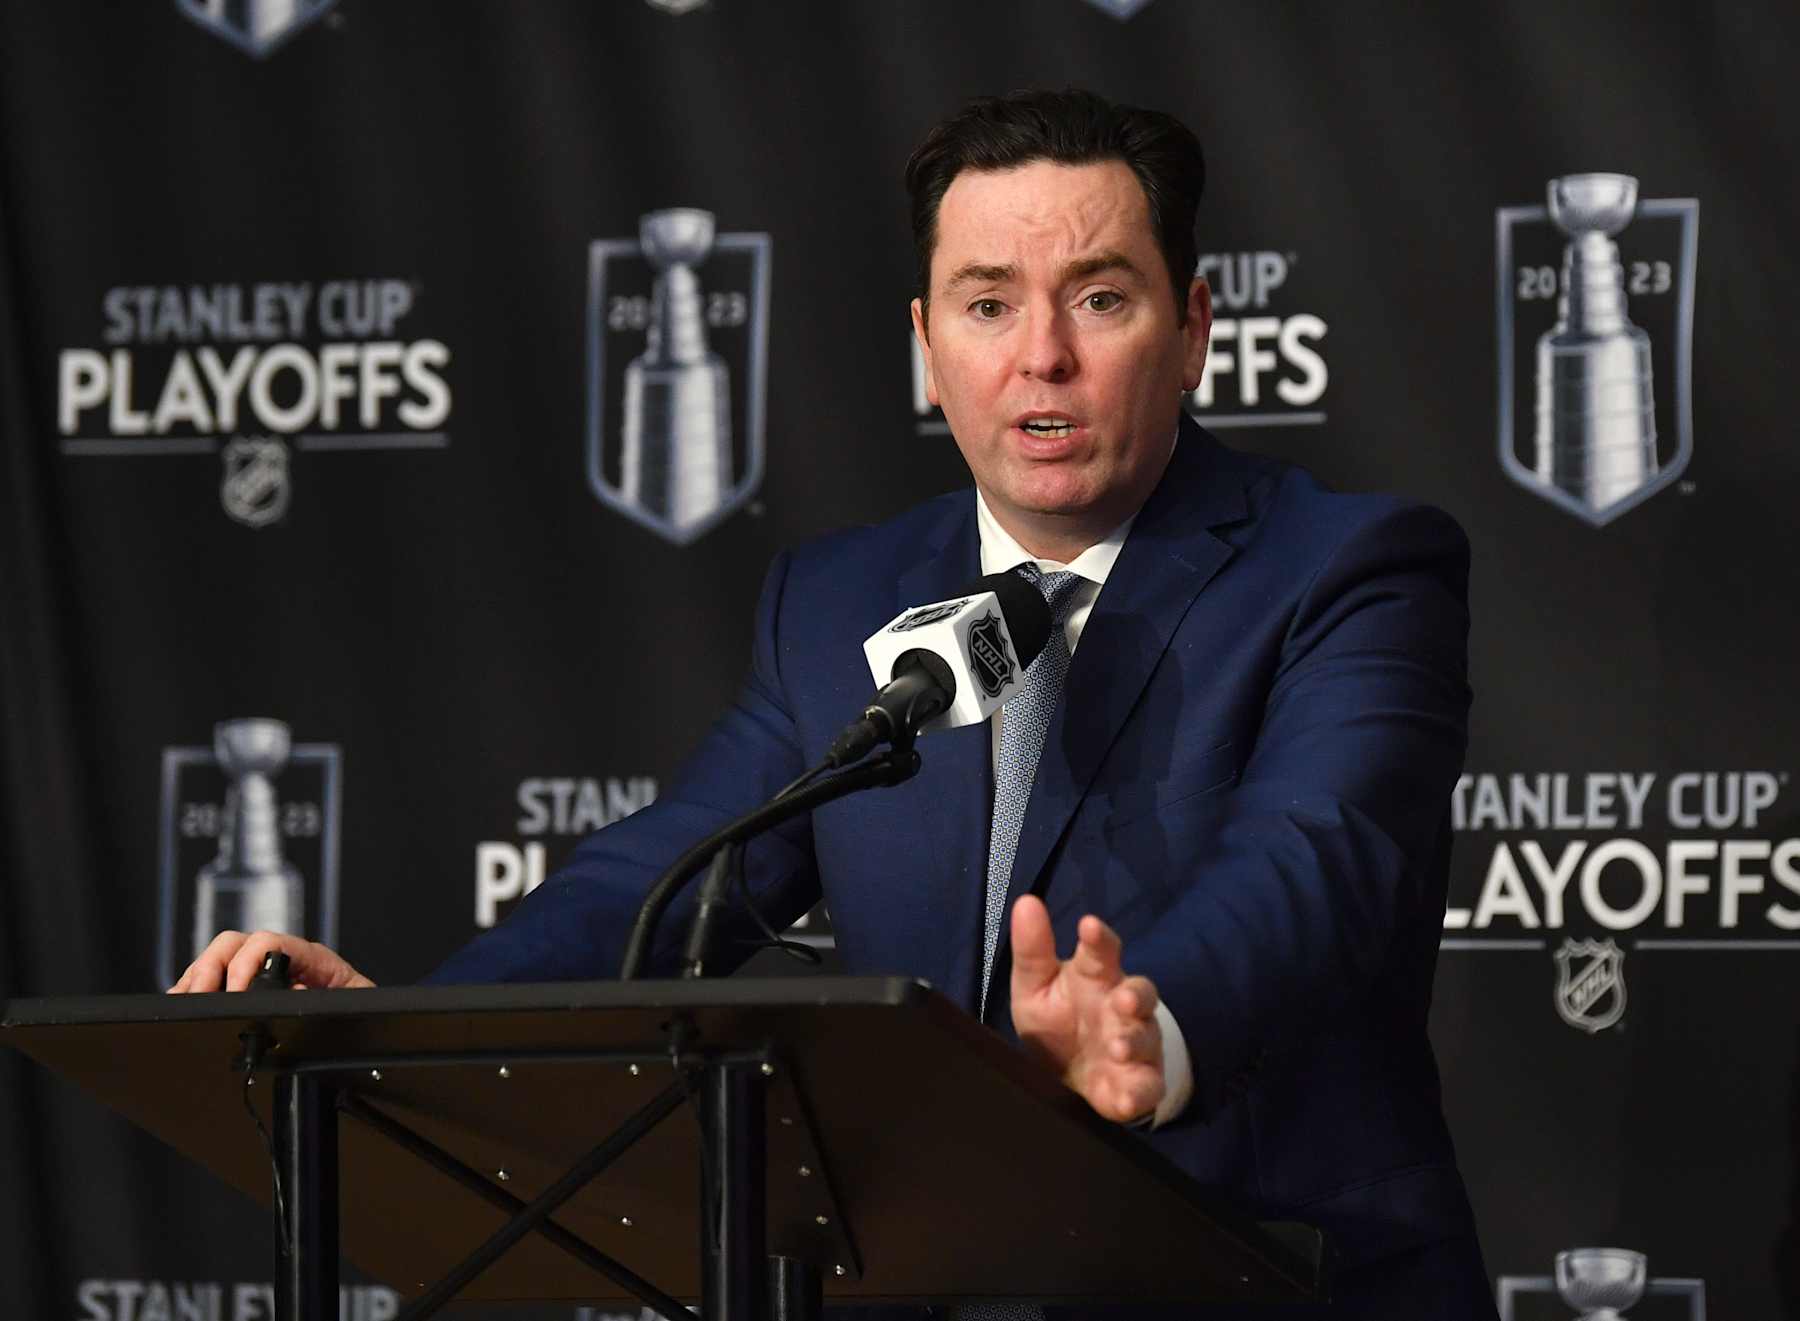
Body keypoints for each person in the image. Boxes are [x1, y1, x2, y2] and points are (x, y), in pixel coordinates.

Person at [172, 89, 1497, 1318]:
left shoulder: (1344, 568)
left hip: (1274, 1278)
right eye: (988, 304)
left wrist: (1148, 1017)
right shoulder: (837, 600)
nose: (1042, 356)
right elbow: (674, 877)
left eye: (1099, 298)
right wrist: (408, 1034)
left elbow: (1316, 859)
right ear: (926, 346)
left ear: (1195, 328)